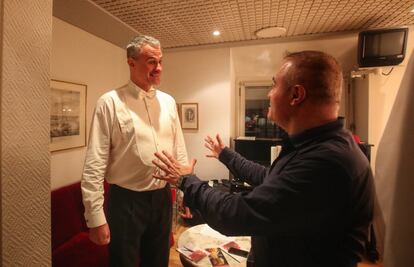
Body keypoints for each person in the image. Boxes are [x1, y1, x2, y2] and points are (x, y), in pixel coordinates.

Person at [152, 51, 375, 267]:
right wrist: (226, 155)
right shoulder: (313, 147)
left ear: (296, 95)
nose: (269, 93)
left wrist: (186, 181)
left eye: (274, 85)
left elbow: (237, 215)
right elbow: (268, 178)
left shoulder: (328, 163)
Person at [81, 35, 188, 267]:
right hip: (125, 202)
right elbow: (94, 163)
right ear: (131, 62)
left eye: (160, 61)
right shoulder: (109, 102)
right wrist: (95, 218)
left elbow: (179, 149)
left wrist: (187, 192)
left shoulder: (169, 102)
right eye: (151, 62)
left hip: (162, 199)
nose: (158, 68)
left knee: (158, 261)